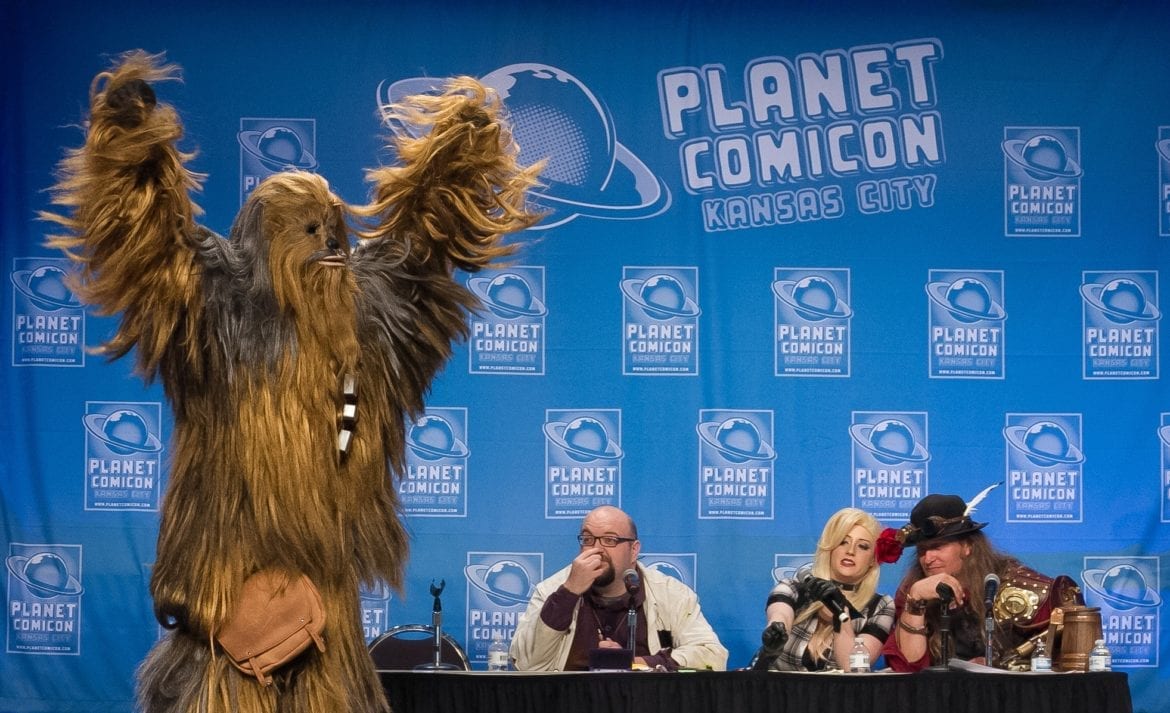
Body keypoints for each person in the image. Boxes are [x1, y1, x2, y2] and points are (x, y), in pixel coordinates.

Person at [881, 488, 1085, 671]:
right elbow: (907, 668)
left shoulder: (1015, 584)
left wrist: (999, 665)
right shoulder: (913, 591)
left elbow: (1068, 652)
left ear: (967, 546)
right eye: (922, 550)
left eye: (937, 547)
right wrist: (915, 601)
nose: (928, 559)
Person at [510, 506, 728, 671]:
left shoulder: (671, 594)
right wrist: (569, 593)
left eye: (609, 540)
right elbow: (525, 664)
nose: (596, 549)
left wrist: (634, 663)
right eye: (588, 539)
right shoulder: (552, 591)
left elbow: (712, 655)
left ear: (634, 550)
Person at [755, 507, 899, 671]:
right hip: (778, 687)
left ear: (873, 559)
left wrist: (840, 612)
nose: (850, 551)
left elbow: (854, 668)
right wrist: (776, 632)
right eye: (843, 541)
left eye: (863, 546)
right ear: (830, 548)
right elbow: (780, 615)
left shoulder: (881, 606)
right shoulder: (793, 588)